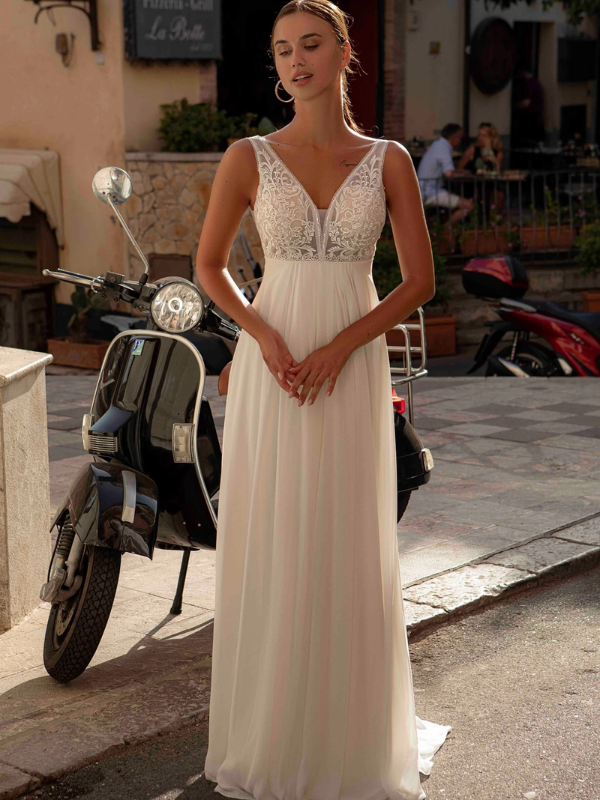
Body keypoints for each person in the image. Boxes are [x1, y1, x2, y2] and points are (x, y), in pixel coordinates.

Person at [196, 2, 452, 799]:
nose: (295, 61)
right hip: (274, 371)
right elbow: (210, 267)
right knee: (274, 534)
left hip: (349, 365)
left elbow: (419, 280)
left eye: (311, 45)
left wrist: (343, 345)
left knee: (342, 537)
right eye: (281, 50)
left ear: (346, 53)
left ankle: (349, 736)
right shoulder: (247, 156)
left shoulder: (390, 160)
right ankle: (270, 730)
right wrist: (260, 335)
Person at [417, 123, 473, 225]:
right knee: (468, 206)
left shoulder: (437, 145)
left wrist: (459, 171)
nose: (460, 140)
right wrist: (463, 172)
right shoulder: (443, 148)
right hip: (430, 192)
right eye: (459, 137)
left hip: (424, 189)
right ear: (453, 137)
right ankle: (446, 230)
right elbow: (449, 174)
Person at [512, 67, 545, 147]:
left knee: (528, 145)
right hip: (537, 118)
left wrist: (514, 106)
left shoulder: (529, 83)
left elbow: (526, 103)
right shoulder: (536, 82)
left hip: (530, 120)